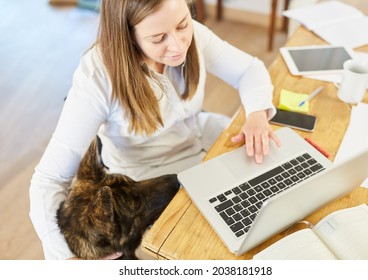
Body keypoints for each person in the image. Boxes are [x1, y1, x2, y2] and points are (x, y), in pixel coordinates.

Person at [29, 0, 281, 260]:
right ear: (127, 36)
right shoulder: (97, 77)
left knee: (275, 190)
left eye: (183, 24)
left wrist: (257, 116)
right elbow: (48, 180)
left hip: (202, 139)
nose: (178, 45)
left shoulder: (192, 35)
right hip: (147, 179)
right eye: (158, 38)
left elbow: (249, 70)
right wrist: (67, 260)